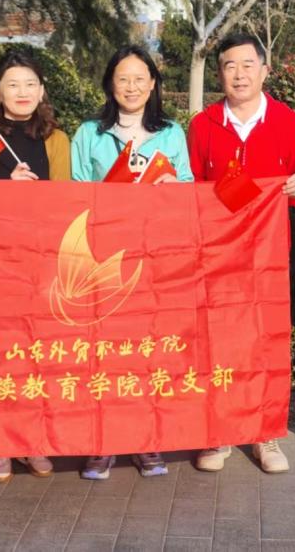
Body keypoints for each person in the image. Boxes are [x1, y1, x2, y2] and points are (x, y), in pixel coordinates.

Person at [186, 32, 295, 474]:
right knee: (215, 342)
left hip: (267, 256)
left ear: (264, 70)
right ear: (219, 74)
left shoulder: (287, 121)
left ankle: (264, 434)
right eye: (229, 66)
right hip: (215, 257)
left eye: (247, 65)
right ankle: (216, 433)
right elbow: (192, 188)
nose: (238, 75)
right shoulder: (203, 125)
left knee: (265, 343)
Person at [70, 44, 194, 479]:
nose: (132, 86)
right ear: (110, 84)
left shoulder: (171, 133)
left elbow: (188, 188)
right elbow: (75, 192)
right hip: (103, 257)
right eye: (123, 78)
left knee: (148, 349)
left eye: (140, 78)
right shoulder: (89, 133)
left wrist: (172, 184)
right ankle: (101, 443)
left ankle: (146, 440)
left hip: (153, 257)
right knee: (102, 351)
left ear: (153, 84)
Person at [0, 50, 70, 482]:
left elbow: (65, 201)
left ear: (41, 91)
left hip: (42, 263)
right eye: (12, 84)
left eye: (30, 84)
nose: (22, 92)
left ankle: (33, 439)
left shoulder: (57, 140)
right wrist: (5, 187)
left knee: (39, 356)